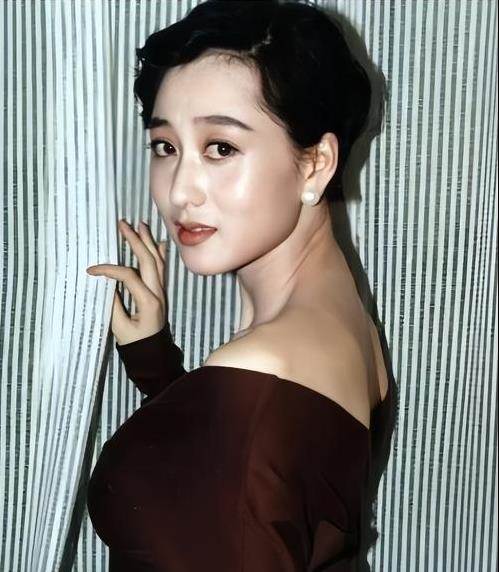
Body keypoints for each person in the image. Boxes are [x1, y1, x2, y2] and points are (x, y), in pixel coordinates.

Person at [86, 1, 395, 569]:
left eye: (221, 148)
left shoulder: (268, 363)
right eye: (165, 146)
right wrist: (155, 362)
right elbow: (246, 477)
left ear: (316, 163)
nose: (180, 191)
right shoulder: (335, 319)